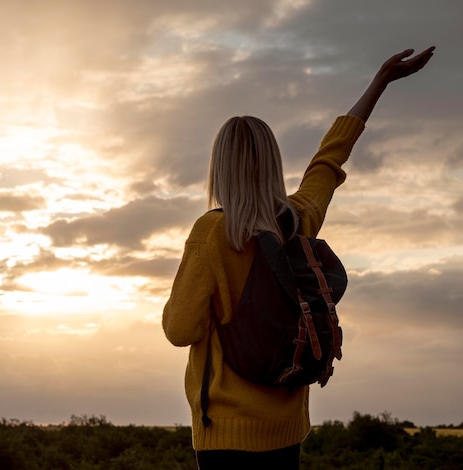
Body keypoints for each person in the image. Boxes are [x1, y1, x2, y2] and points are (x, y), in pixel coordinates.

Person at [162, 47, 435, 469]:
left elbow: (180, 329)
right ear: (273, 163)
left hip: (225, 433)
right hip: (287, 429)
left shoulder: (211, 233)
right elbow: (328, 162)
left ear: (220, 169)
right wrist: (378, 83)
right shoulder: (296, 219)